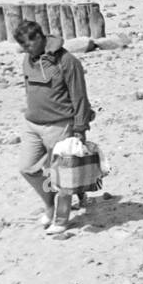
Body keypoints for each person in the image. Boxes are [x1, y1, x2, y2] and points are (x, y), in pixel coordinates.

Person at [14, 20, 94, 235]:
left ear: (41, 37)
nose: (27, 48)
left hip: (60, 125)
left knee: (62, 176)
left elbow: (79, 97)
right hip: (32, 124)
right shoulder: (27, 60)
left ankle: (61, 218)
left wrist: (80, 128)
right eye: (23, 45)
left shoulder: (68, 62)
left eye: (30, 43)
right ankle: (51, 204)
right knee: (27, 168)